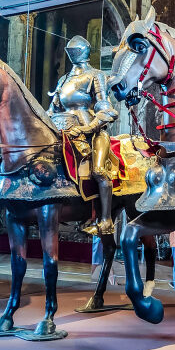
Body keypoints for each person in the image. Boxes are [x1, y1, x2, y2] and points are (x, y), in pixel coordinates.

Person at [47, 36, 119, 236]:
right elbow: (52, 109)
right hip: (61, 131)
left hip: (91, 132)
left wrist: (87, 129)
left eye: (76, 50)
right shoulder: (63, 79)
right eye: (70, 50)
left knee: (98, 171)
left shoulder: (96, 75)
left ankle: (105, 220)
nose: (73, 53)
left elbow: (106, 108)